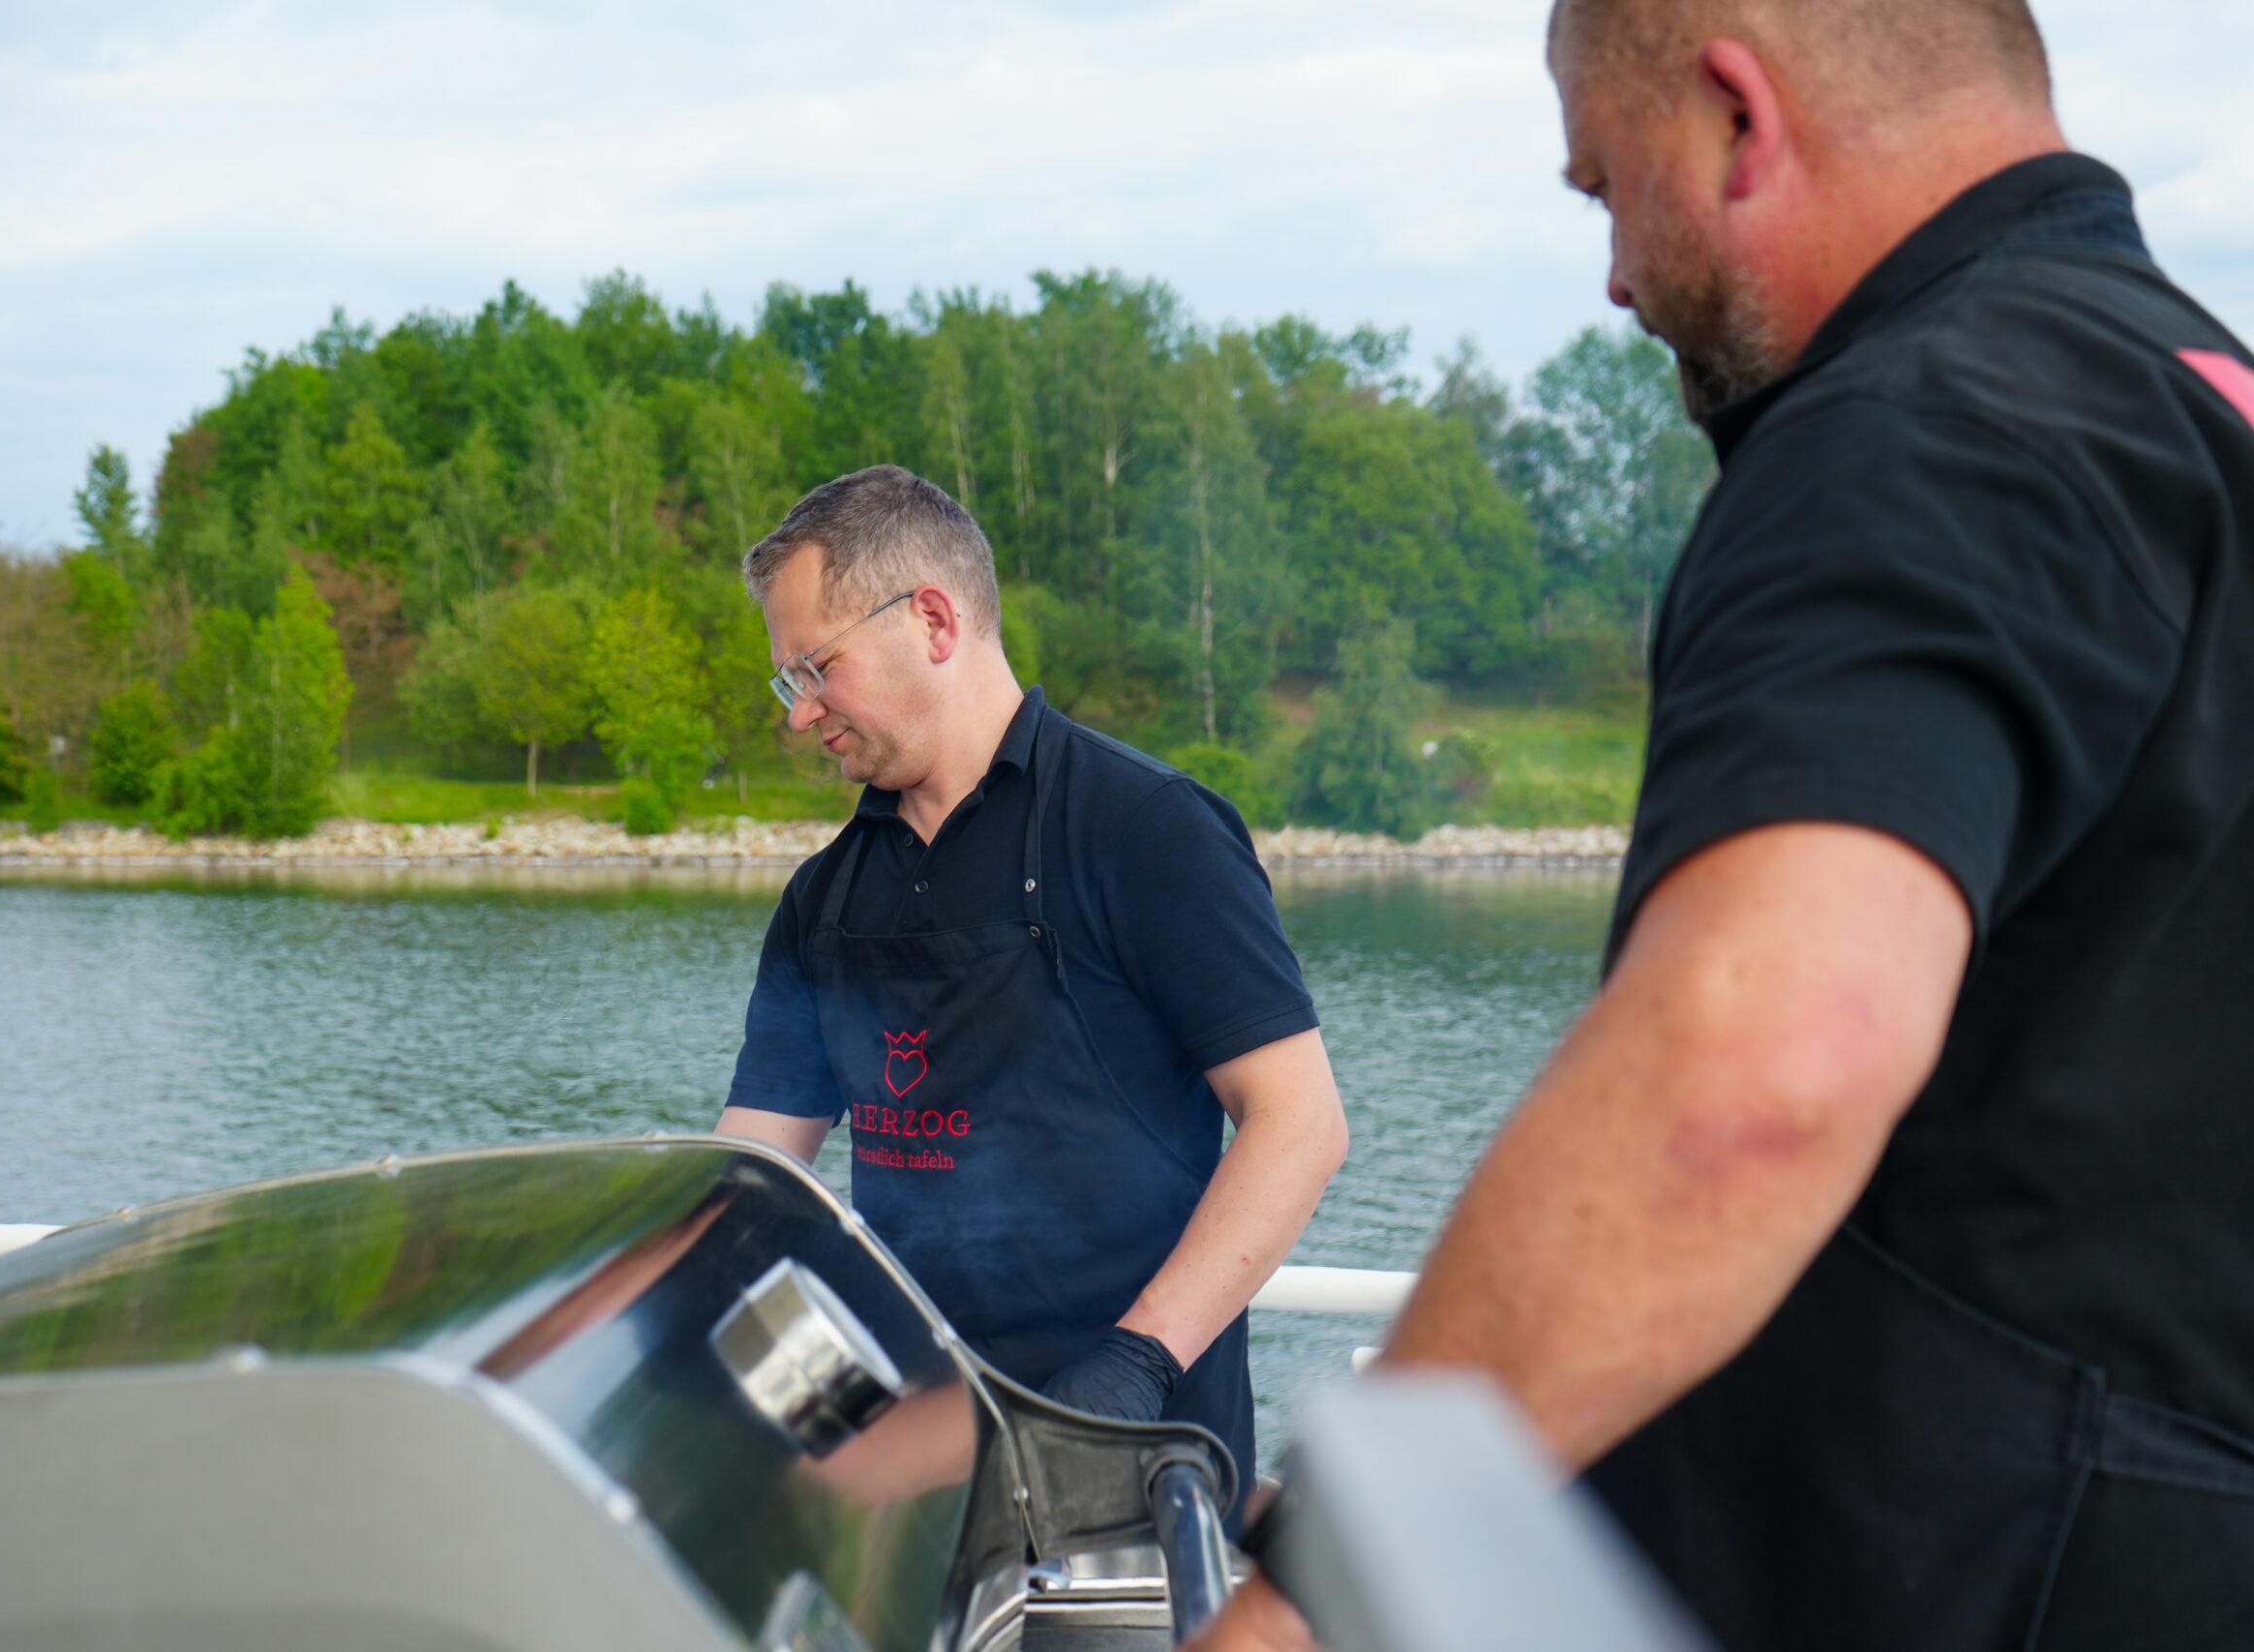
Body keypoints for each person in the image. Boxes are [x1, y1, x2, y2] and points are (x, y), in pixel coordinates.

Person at [1208, 2, 2254, 1648]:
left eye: (1609, 185)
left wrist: (1317, 1587)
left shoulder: (1919, 428)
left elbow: (1753, 1074)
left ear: (1737, 115)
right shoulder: (2193, 401)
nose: (1617, 279)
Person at [715, 465, 1349, 1515]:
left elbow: (1299, 1125)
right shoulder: (823, 899)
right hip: (923, 1482)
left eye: (815, 669)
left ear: (931, 618)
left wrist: (1135, 1364)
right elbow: (748, 1183)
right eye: (789, 684)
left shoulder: (1147, 830)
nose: (800, 714)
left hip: (1140, 1470)